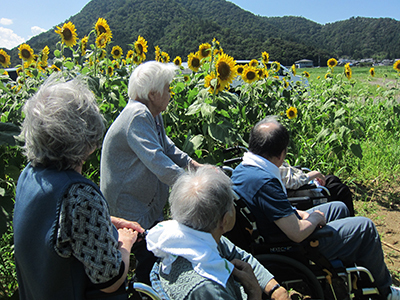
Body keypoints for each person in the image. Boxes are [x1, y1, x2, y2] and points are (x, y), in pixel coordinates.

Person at [231, 116, 400, 300]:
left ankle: (351, 274)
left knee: (339, 208)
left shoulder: (244, 168)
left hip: (276, 228)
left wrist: (298, 213)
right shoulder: (264, 182)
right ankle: (385, 291)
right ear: (281, 154)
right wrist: (314, 219)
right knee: (365, 228)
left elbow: (272, 209)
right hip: (290, 245)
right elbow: (296, 233)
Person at [13, 76, 143, 300]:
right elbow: (110, 279)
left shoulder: (29, 175)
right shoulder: (80, 195)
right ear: (85, 133)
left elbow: (55, 229)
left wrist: (107, 220)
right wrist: (126, 242)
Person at [100, 61, 201, 284]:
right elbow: (158, 161)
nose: (170, 93)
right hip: (128, 204)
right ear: (153, 93)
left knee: (153, 252)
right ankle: (144, 291)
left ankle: (146, 289)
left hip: (142, 200)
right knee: (149, 255)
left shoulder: (152, 114)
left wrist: (193, 165)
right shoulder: (137, 115)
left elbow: (166, 146)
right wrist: (195, 185)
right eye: (167, 88)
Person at [146, 165, 290, 300]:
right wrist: (254, 293)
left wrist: (275, 289)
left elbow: (239, 255)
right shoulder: (207, 288)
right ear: (225, 220)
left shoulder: (188, 238)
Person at [280, 161, 355, 215]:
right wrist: (314, 174)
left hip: (300, 184)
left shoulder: (271, 160)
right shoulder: (272, 165)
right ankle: (350, 224)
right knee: (341, 190)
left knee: (332, 179)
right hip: (299, 194)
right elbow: (293, 182)